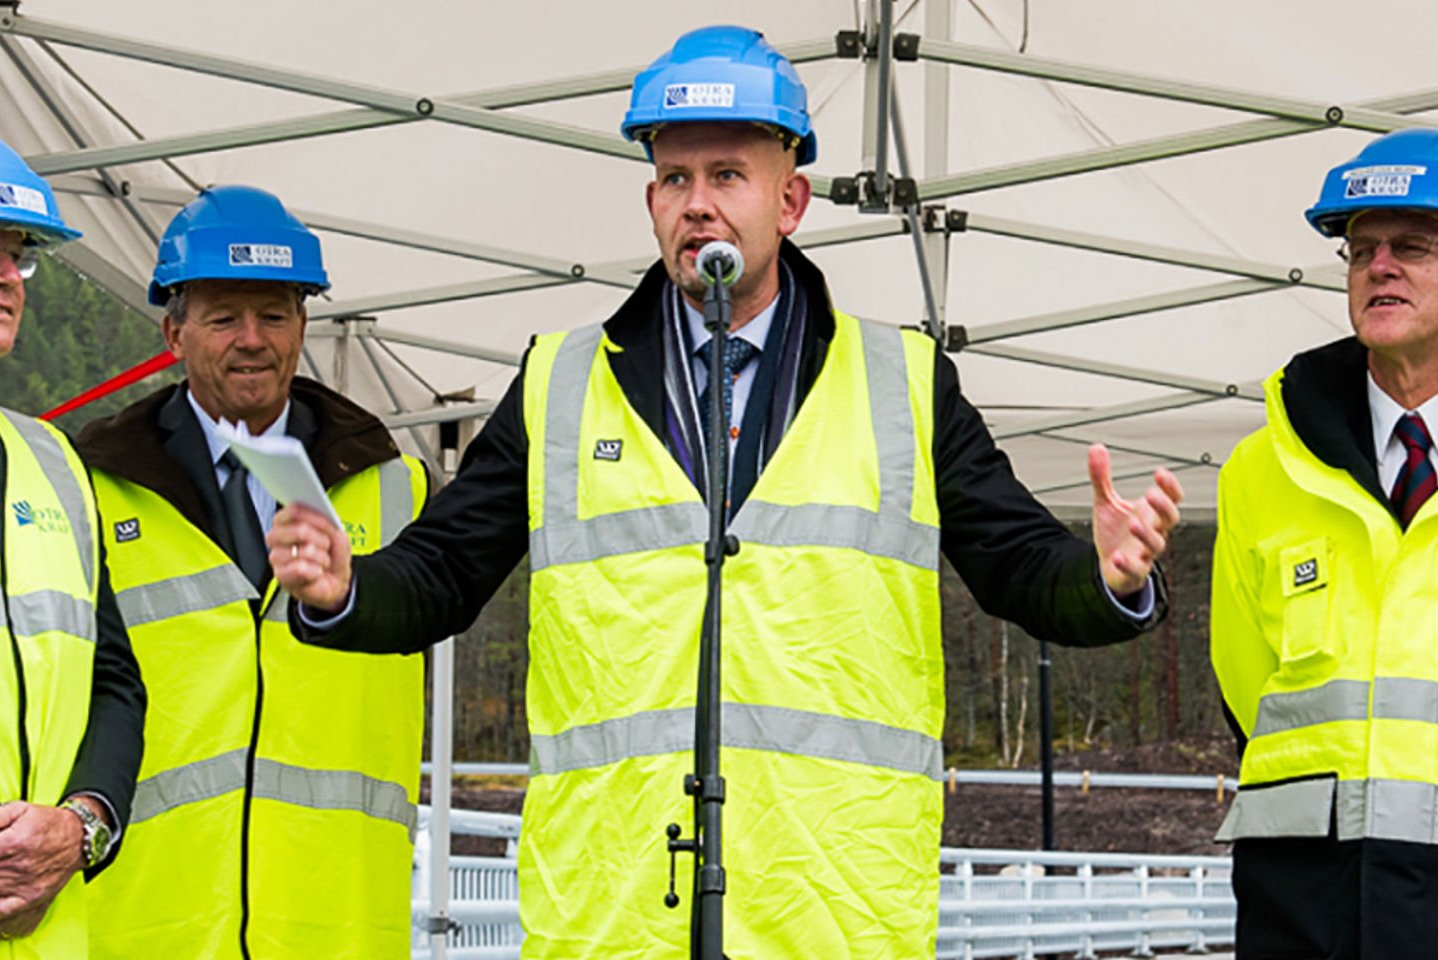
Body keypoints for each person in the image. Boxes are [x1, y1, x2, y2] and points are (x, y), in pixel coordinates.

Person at [273, 26, 1183, 960]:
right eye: (675, 179)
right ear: (650, 200)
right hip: (616, 907)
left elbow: (1021, 567)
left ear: (790, 200)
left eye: (725, 176)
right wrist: (351, 589)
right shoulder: (559, 381)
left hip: (830, 909)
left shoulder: (902, 380)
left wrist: (1106, 576)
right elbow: (444, 570)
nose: (696, 205)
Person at [75, 185, 428, 959]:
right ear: (173, 331)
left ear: (303, 326)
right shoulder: (91, 489)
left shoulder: (398, 486)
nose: (252, 340)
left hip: (336, 927)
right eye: (224, 317)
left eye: (273, 315)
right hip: (147, 927)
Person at [1211, 127, 1438, 959]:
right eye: (1360, 249)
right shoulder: (1261, 469)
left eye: (1412, 245)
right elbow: (1248, 690)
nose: (1379, 266)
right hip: (1302, 906)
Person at [0, 140, 146, 957]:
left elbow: (115, 684)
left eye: (17, 254)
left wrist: (81, 823)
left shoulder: (53, 463)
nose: (6, 275)